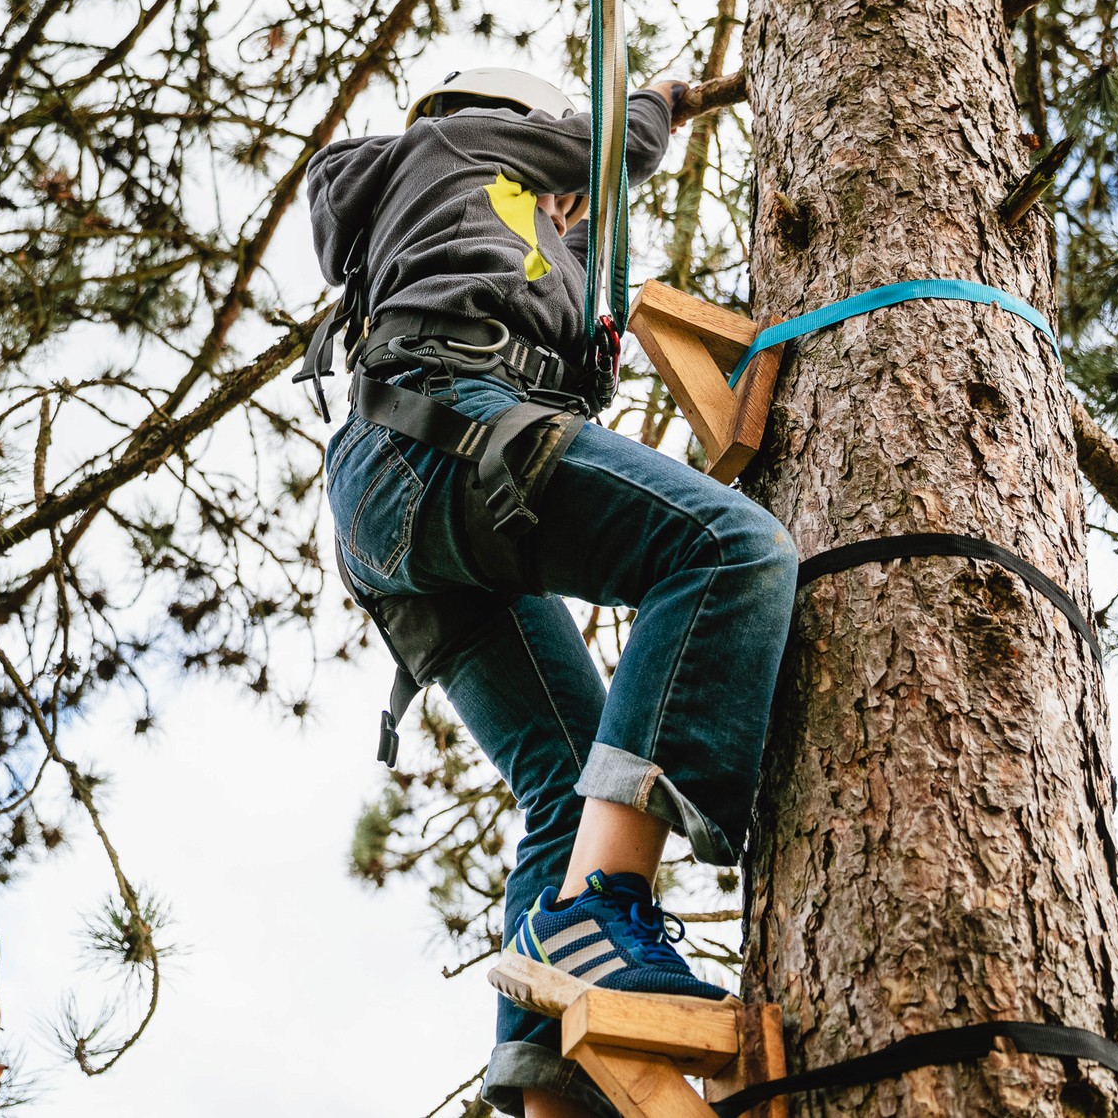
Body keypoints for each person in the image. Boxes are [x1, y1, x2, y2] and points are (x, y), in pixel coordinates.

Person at [305, 68, 797, 1118]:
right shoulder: (460, 147)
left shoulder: (468, 228)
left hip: (404, 488)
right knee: (727, 550)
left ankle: (551, 1096)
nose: (568, 208)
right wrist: (657, 101)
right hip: (438, 431)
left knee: (566, 786)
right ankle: (600, 906)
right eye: (556, 187)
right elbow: (615, 145)